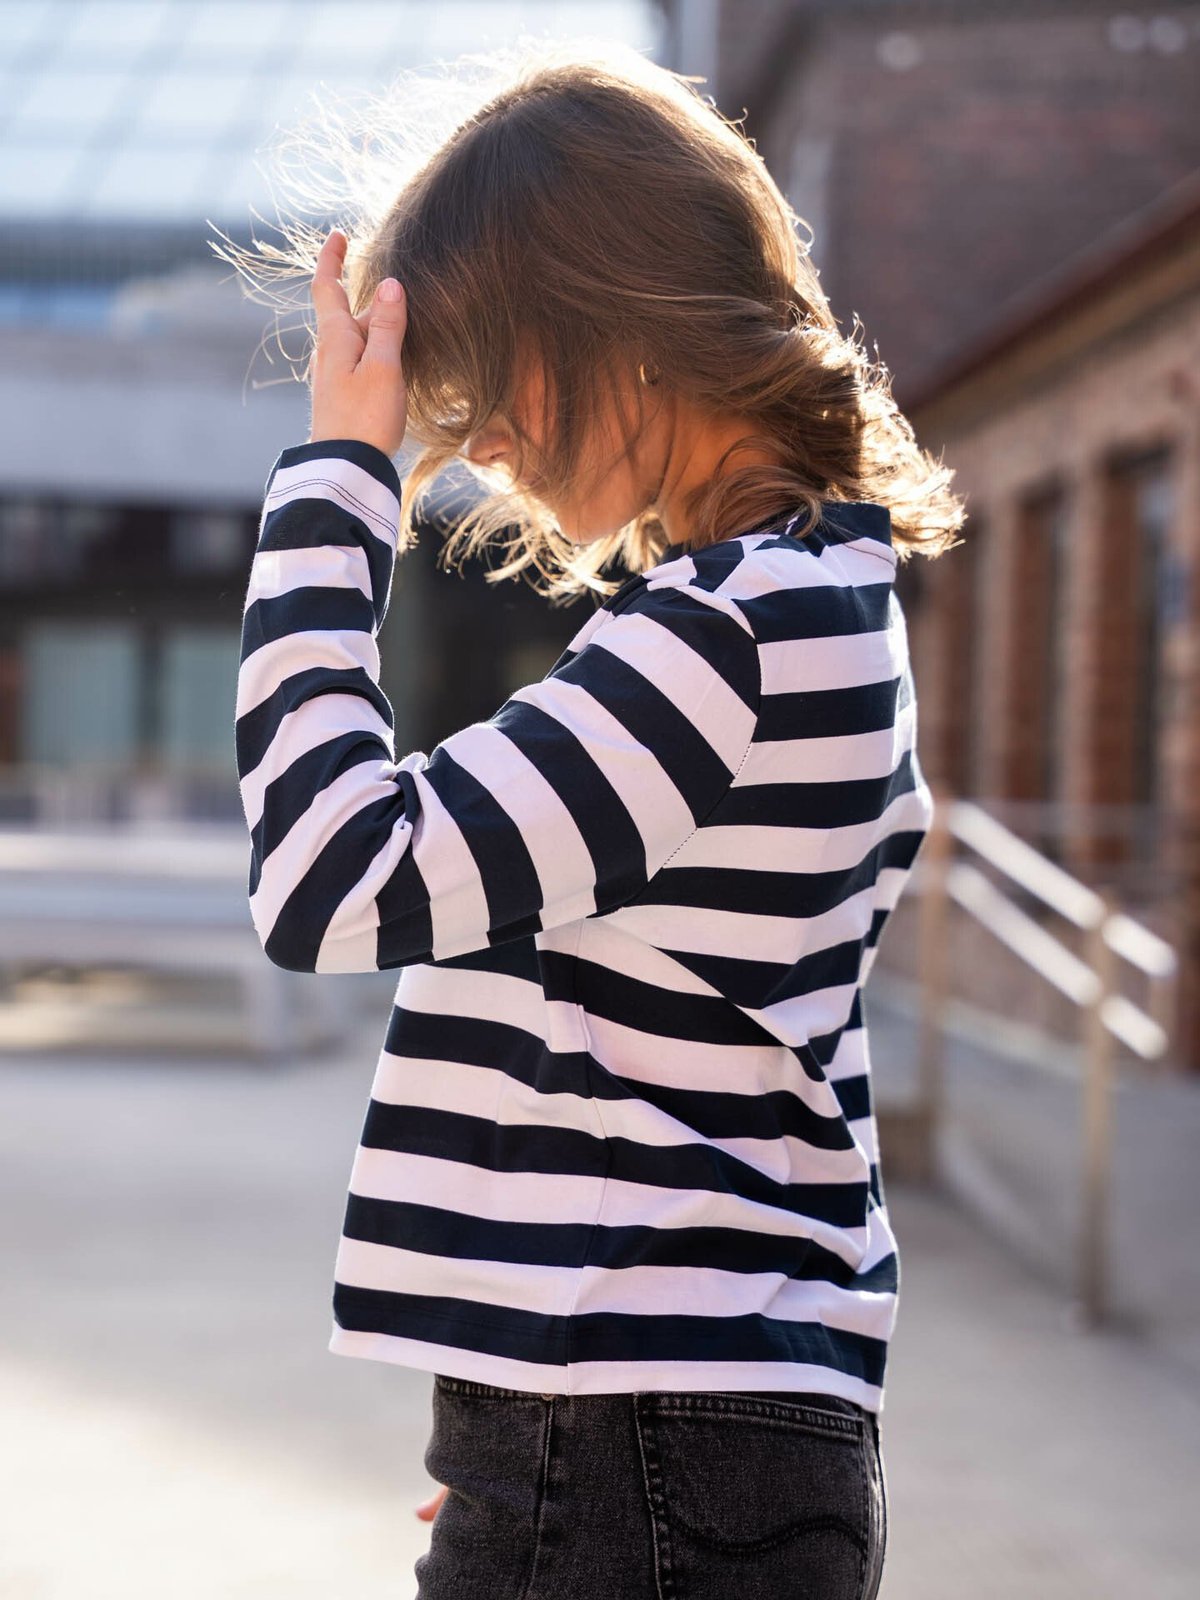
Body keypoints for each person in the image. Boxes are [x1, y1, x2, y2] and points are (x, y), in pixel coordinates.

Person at [226, 38, 964, 1600]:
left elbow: (327, 877)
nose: (474, 440)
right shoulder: (826, 599)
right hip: (678, 1422)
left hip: (643, 1423)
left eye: (488, 377)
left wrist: (338, 485)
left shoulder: (727, 641)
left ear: (612, 323)